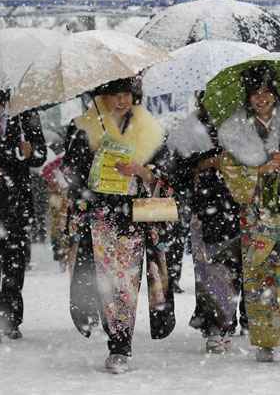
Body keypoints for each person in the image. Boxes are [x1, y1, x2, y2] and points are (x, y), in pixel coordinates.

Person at [63, 77, 175, 373]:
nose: (122, 101)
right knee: (104, 282)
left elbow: (167, 174)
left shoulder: (150, 129)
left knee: (127, 283)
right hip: (99, 214)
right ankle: (116, 340)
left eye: (126, 94)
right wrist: (96, 169)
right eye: (114, 95)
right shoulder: (83, 128)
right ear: (101, 98)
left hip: (133, 216)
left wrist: (143, 171)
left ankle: (121, 344)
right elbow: (71, 173)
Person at [218, 64, 280, 362]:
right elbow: (228, 168)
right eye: (255, 93)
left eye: (266, 92)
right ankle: (265, 340)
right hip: (255, 213)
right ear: (248, 97)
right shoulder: (236, 129)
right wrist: (257, 170)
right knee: (257, 277)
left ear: (275, 94)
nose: (261, 98)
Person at [169, 92, 244, 354]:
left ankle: (228, 322)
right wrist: (202, 162)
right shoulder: (190, 128)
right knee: (209, 269)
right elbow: (176, 172)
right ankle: (214, 326)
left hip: (236, 205)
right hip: (205, 207)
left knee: (234, 269)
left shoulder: (241, 125)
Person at [0, 89, 47, 343]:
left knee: (14, 261)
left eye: (2, 101)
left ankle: (12, 318)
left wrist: (29, 152)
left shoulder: (27, 114)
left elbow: (40, 155)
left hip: (17, 202)